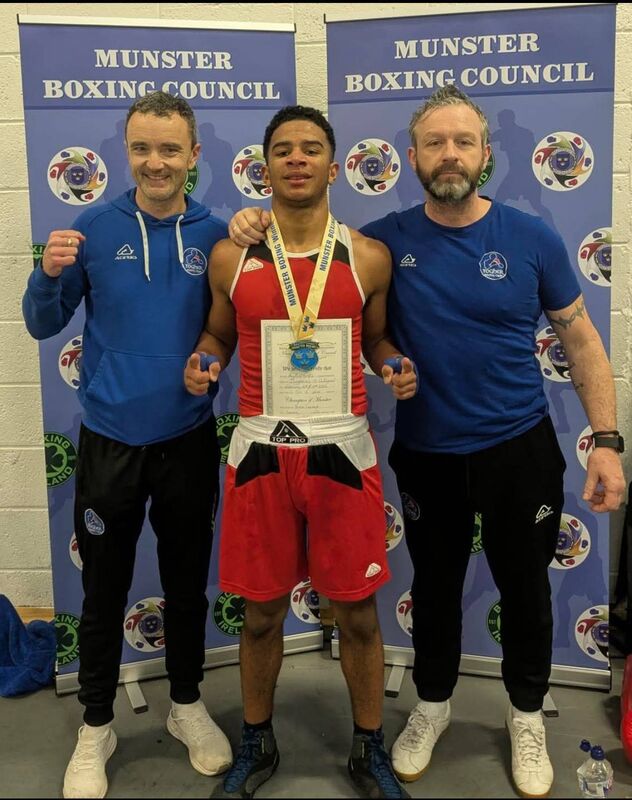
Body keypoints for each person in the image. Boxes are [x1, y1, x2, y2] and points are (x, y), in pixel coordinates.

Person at [226, 85, 627, 799]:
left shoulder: (531, 237)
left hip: (518, 448)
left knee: (527, 592)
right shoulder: (382, 243)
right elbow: (310, 250)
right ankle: (433, 706)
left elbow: (581, 335)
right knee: (434, 591)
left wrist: (606, 440)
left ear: (485, 153)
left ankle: (526, 716)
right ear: (410, 158)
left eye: (463, 141)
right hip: (428, 453)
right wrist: (249, 220)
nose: (449, 155)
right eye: (435, 143)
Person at [184, 105, 416, 799]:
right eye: (282, 149)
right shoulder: (234, 255)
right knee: (259, 612)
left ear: (333, 165)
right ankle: (258, 741)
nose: (296, 159)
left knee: (357, 613)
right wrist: (204, 360)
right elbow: (218, 336)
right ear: (265, 165)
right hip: (260, 453)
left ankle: (368, 747)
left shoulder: (367, 256)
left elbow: (377, 339)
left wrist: (394, 362)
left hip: (342, 452)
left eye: (310, 149)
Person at [22, 91, 233, 799]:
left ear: (194, 155)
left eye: (170, 149)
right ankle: (96, 724)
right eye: (142, 148)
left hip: (189, 441)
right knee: (103, 589)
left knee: (184, 584)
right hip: (110, 443)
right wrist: (47, 273)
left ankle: (185, 705)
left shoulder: (220, 234)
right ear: (126, 150)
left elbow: (238, 326)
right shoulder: (92, 225)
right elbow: (41, 324)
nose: (156, 162)